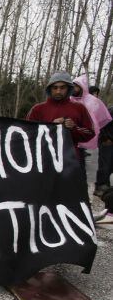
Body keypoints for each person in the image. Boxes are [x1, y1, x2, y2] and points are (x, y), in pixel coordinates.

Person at [26, 71, 94, 202]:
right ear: (49, 89)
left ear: (68, 89)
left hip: (70, 161)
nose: (58, 91)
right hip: (43, 161)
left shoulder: (79, 108)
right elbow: (27, 134)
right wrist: (49, 126)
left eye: (62, 87)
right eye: (55, 87)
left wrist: (73, 128)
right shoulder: (38, 109)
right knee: (42, 196)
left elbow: (90, 133)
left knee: (69, 197)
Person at [71, 75, 113, 195]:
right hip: (71, 136)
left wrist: (102, 134)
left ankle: (82, 188)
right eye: (72, 86)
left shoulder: (93, 101)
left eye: (76, 86)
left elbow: (104, 119)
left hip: (87, 135)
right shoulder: (69, 100)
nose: (74, 89)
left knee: (81, 163)